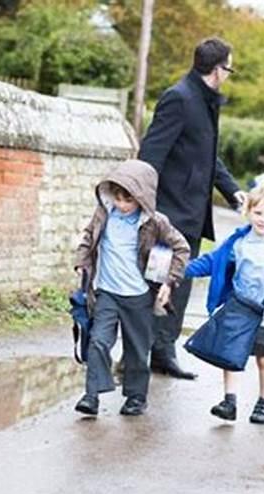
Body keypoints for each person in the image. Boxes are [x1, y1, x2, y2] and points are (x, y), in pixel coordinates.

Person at [138, 37, 246, 379]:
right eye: (229, 68)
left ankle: (163, 352)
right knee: (156, 283)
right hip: (169, 215)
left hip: (192, 215)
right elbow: (151, 155)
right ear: (218, 70)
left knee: (178, 285)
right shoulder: (179, 99)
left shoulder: (205, 101)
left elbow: (207, 156)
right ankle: (137, 353)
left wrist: (233, 192)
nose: (229, 74)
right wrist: (147, 209)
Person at [73, 159, 190, 417]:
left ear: (143, 198)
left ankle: (136, 396)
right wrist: (82, 263)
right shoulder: (104, 214)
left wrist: (170, 281)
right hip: (107, 292)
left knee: (137, 348)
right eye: (117, 198)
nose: (122, 205)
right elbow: (88, 238)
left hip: (138, 296)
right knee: (98, 342)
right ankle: (91, 395)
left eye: (128, 200)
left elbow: (182, 247)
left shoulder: (156, 222)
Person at [185, 187, 264, 424]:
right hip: (239, 309)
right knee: (231, 355)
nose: (263, 219)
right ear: (248, 212)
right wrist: (182, 269)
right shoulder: (238, 242)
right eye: (258, 213)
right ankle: (229, 401)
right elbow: (213, 261)